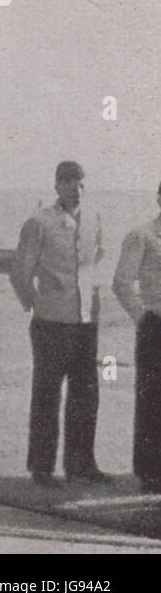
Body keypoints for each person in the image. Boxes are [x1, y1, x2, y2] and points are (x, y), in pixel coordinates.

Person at [10, 161, 107, 486]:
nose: (75, 191)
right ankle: (42, 468)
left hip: (84, 321)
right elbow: (21, 272)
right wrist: (36, 305)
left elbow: (96, 261)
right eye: (68, 184)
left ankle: (81, 463)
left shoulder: (93, 219)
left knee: (86, 393)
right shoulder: (39, 223)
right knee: (47, 394)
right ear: (56, 186)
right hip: (51, 322)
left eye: (80, 184)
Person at [112, 182, 161, 493]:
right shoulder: (142, 235)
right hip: (155, 325)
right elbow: (121, 282)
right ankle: (149, 471)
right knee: (151, 400)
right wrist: (142, 317)